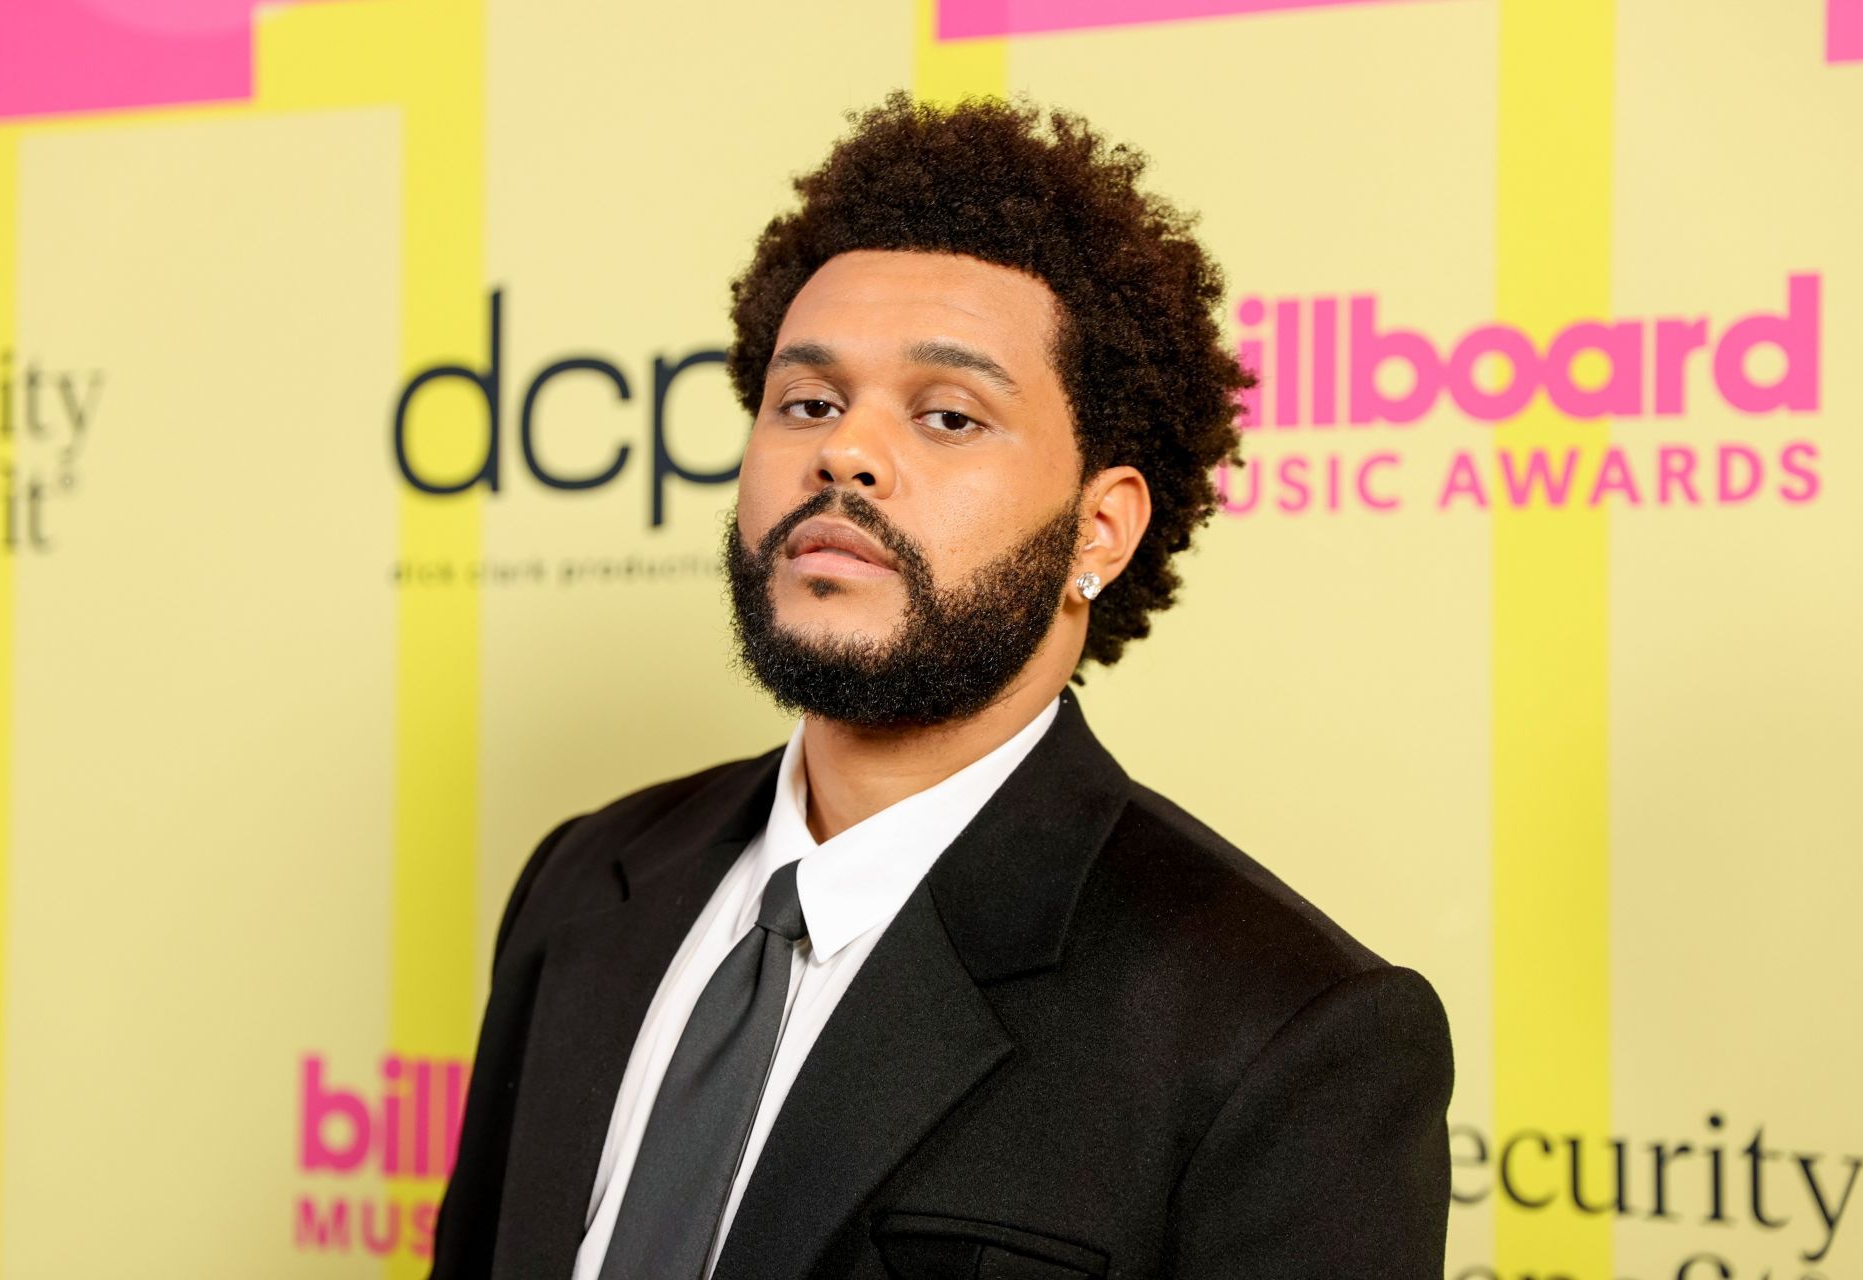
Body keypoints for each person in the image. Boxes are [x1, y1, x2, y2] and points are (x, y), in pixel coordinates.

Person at [430, 93, 1452, 1280]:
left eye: (949, 414)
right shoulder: (585, 882)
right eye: (806, 401)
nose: (844, 451)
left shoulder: (1283, 1033)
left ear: (1102, 529)